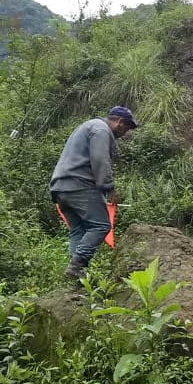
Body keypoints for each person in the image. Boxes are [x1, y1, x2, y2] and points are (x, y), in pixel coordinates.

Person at [49, 106, 137, 279]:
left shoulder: (88, 126)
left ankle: (75, 274)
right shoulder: (101, 130)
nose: (125, 133)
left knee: (78, 229)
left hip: (60, 187)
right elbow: (100, 159)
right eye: (127, 128)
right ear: (120, 122)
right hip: (78, 184)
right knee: (101, 225)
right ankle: (77, 265)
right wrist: (109, 187)